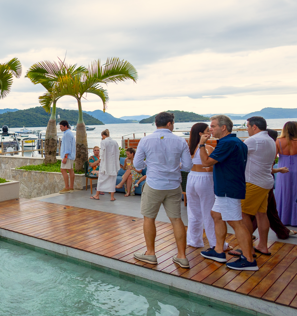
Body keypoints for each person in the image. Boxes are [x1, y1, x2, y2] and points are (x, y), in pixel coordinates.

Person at [132, 112, 192, 268]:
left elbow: (137, 165)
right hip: (173, 185)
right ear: (170, 123)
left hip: (154, 184)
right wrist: (175, 167)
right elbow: (187, 166)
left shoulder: (145, 140)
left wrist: (150, 166)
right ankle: (182, 256)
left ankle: (150, 253)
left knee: (149, 218)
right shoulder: (180, 141)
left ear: (156, 123)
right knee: (176, 219)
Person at [198, 115, 256, 270]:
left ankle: (249, 260)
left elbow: (206, 162)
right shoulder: (236, 142)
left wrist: (201, 145)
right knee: (216, 215)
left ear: (223, 127)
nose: (210, 129)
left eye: (213, 126)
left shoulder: (227, 143)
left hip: (227, 189)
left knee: (236, 223)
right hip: (228, 187)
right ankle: (218, 250)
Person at [238, 117, 282, 258]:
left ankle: (247, 248)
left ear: (255, 127)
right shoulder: (270, 140)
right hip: (266, 181)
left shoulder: (253, 140)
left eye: (248, 126)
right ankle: (263, 245)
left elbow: (238, 155)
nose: (247, 129)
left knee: (243, 214)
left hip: (253, 182)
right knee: (261, 214)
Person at [186, 123, 217, 250]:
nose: (210, 133)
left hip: (191, 178)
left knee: (193, 212)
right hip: (205, 179)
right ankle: (215, 243)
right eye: (207, 131)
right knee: (209, 212)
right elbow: (213, 165)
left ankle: (194, 240)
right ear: (200, 133)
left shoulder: (189, 148)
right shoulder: (207, 148)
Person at [276, 121, 297, 226]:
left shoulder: (278, 141)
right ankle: (296, 220)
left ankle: (283, 219)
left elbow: (273, 157)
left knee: (283, 192)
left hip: (283, 168)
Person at [92, 130, 120, 201]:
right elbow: (117, 153)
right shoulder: (115, 142)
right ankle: (112, 197)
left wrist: (100, 161)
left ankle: (97, 195)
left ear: (103, 135)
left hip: (105, 164)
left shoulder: (103, 142)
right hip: (113, 165)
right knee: (112, 180)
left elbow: (102, 153)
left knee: (101, 179)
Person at [58, 120, 76, 193]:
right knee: (70, 170)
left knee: (63, 170)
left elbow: (68, 146)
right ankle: (71, 187)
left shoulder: (67, 134)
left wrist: (65, 157)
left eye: (61, 126)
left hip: (67, 156)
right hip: (70, 155)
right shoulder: (68, 133)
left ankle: (67, 187)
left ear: (65, 126)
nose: (60, 128)